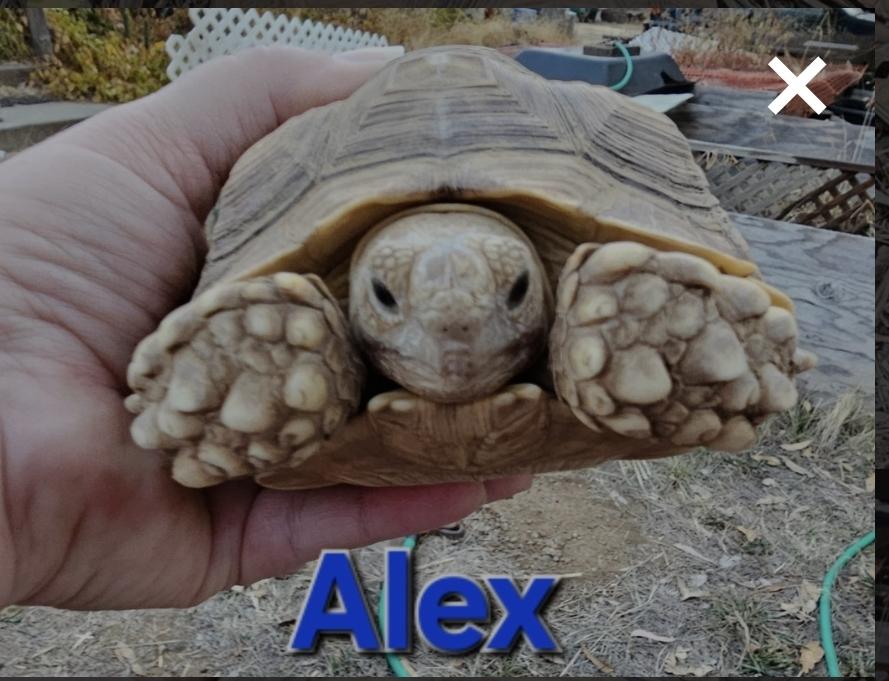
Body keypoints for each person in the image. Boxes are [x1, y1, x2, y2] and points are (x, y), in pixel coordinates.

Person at [0, 47, 532, 610]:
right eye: (384, 295)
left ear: (539, 281)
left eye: (517, 291)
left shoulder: (590, 286)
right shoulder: (290, 325)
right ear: (362, 284)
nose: (453, 342)